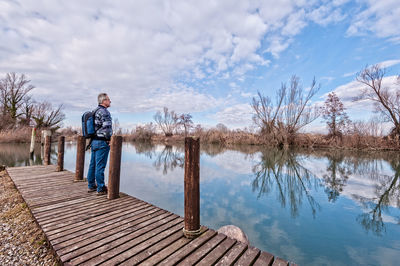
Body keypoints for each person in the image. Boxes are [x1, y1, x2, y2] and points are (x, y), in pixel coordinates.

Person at [87, 93, 113, 195]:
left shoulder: (94, 111)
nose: (110, 101)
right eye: (109, 99)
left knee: (92, 165)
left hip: (94, 142)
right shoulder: (104, 112)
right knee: (100, 166)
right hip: (102, 142)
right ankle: (101, 188)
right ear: (104, 101)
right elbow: (107, 129)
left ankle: (91, 185)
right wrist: (109, 140)